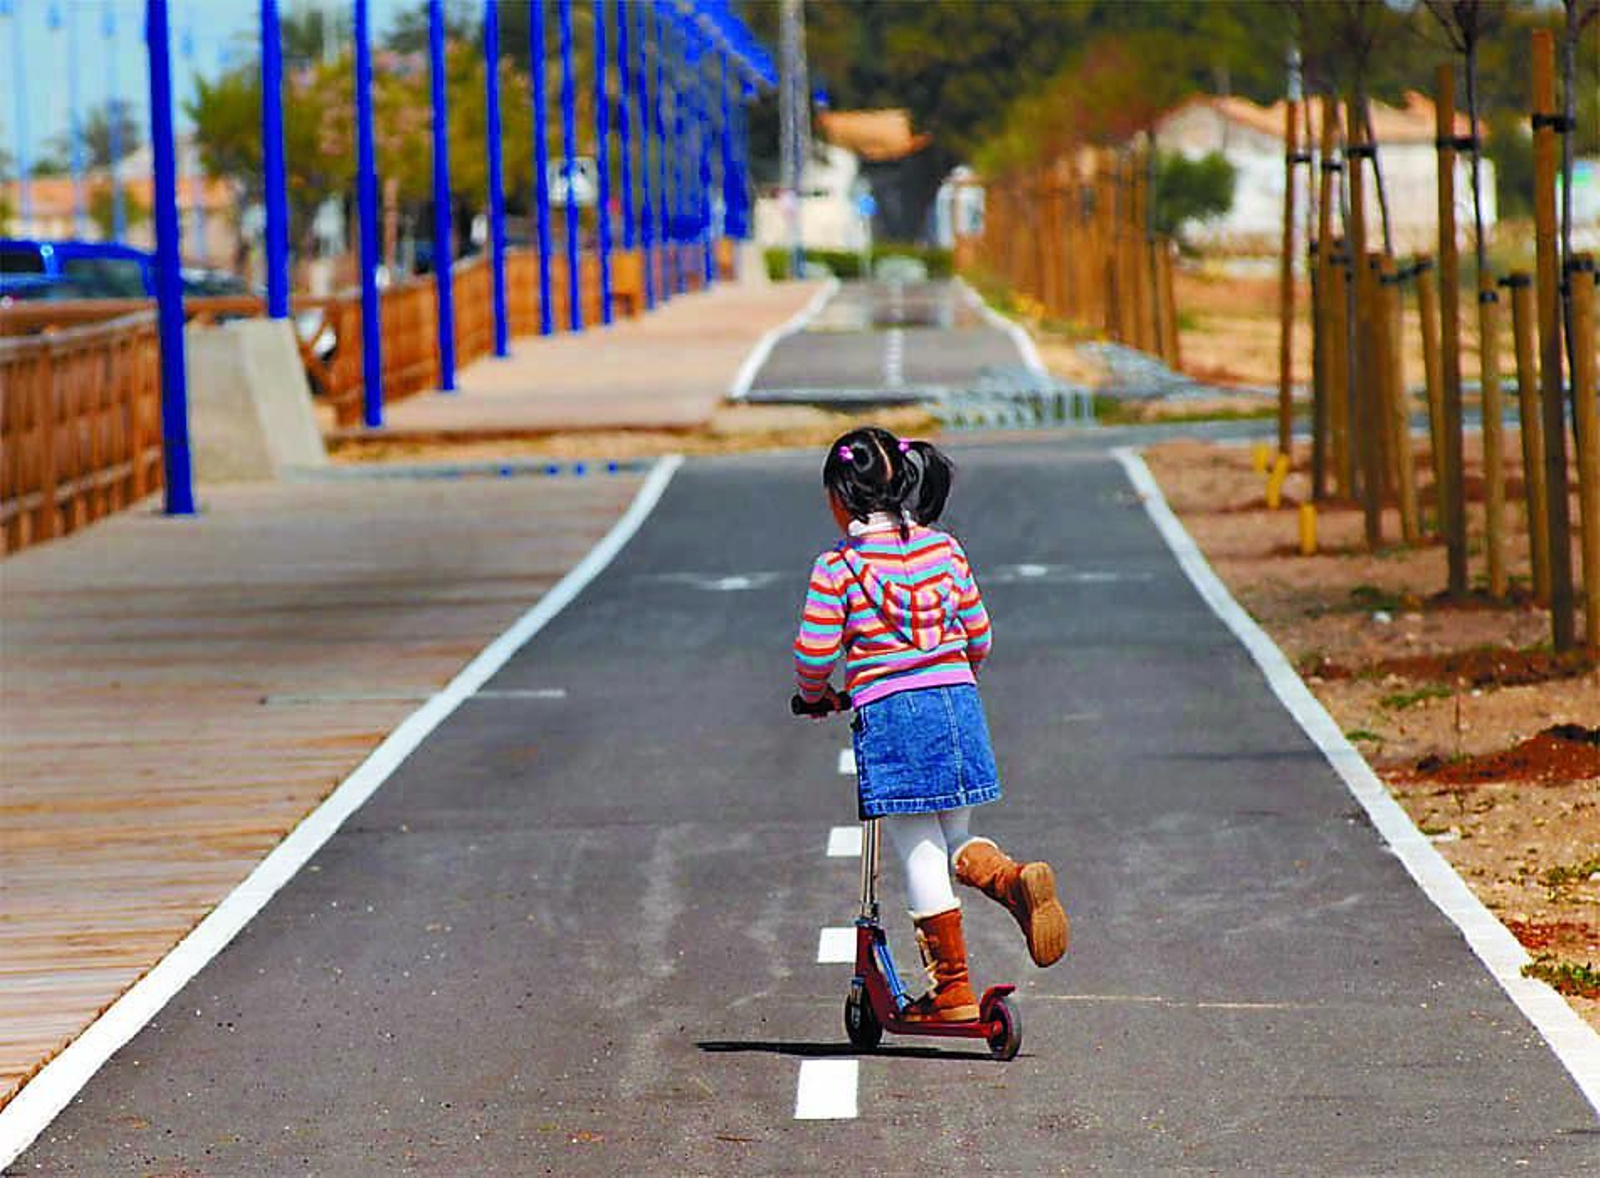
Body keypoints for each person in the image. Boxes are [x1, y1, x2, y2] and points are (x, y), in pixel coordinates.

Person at [793, 426, 1068, 1023]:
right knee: (957, 836)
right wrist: (952, 674)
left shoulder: (838, 567)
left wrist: (815, 696)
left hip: (893, 715)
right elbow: (980, 635)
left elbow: (814, 654)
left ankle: (952, 991)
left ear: (842, 498)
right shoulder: (944, 550)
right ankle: (1013, 878)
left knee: (917, 845)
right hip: (957, 702)